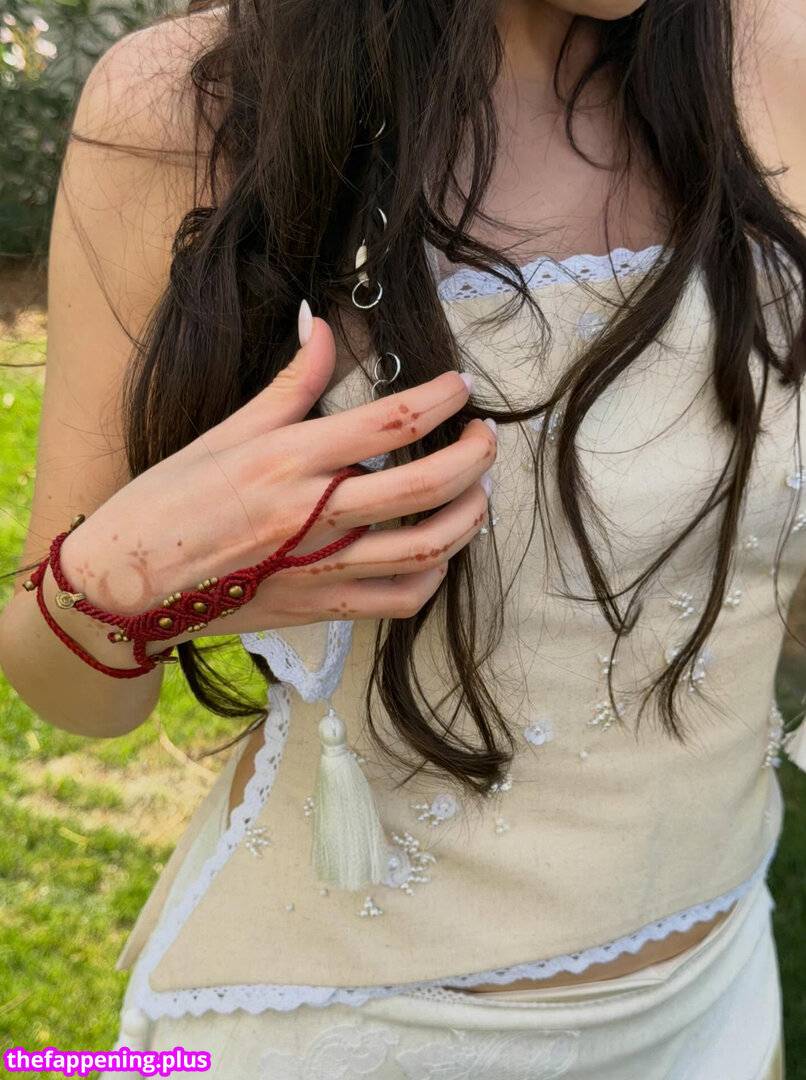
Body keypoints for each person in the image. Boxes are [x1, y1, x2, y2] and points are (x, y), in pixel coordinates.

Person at [1, 0, 806, 1075]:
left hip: (716, 994)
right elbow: (68, 693)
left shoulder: (778, 52)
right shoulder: (181, 109)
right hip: (346, 1026)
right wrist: (126, 582)